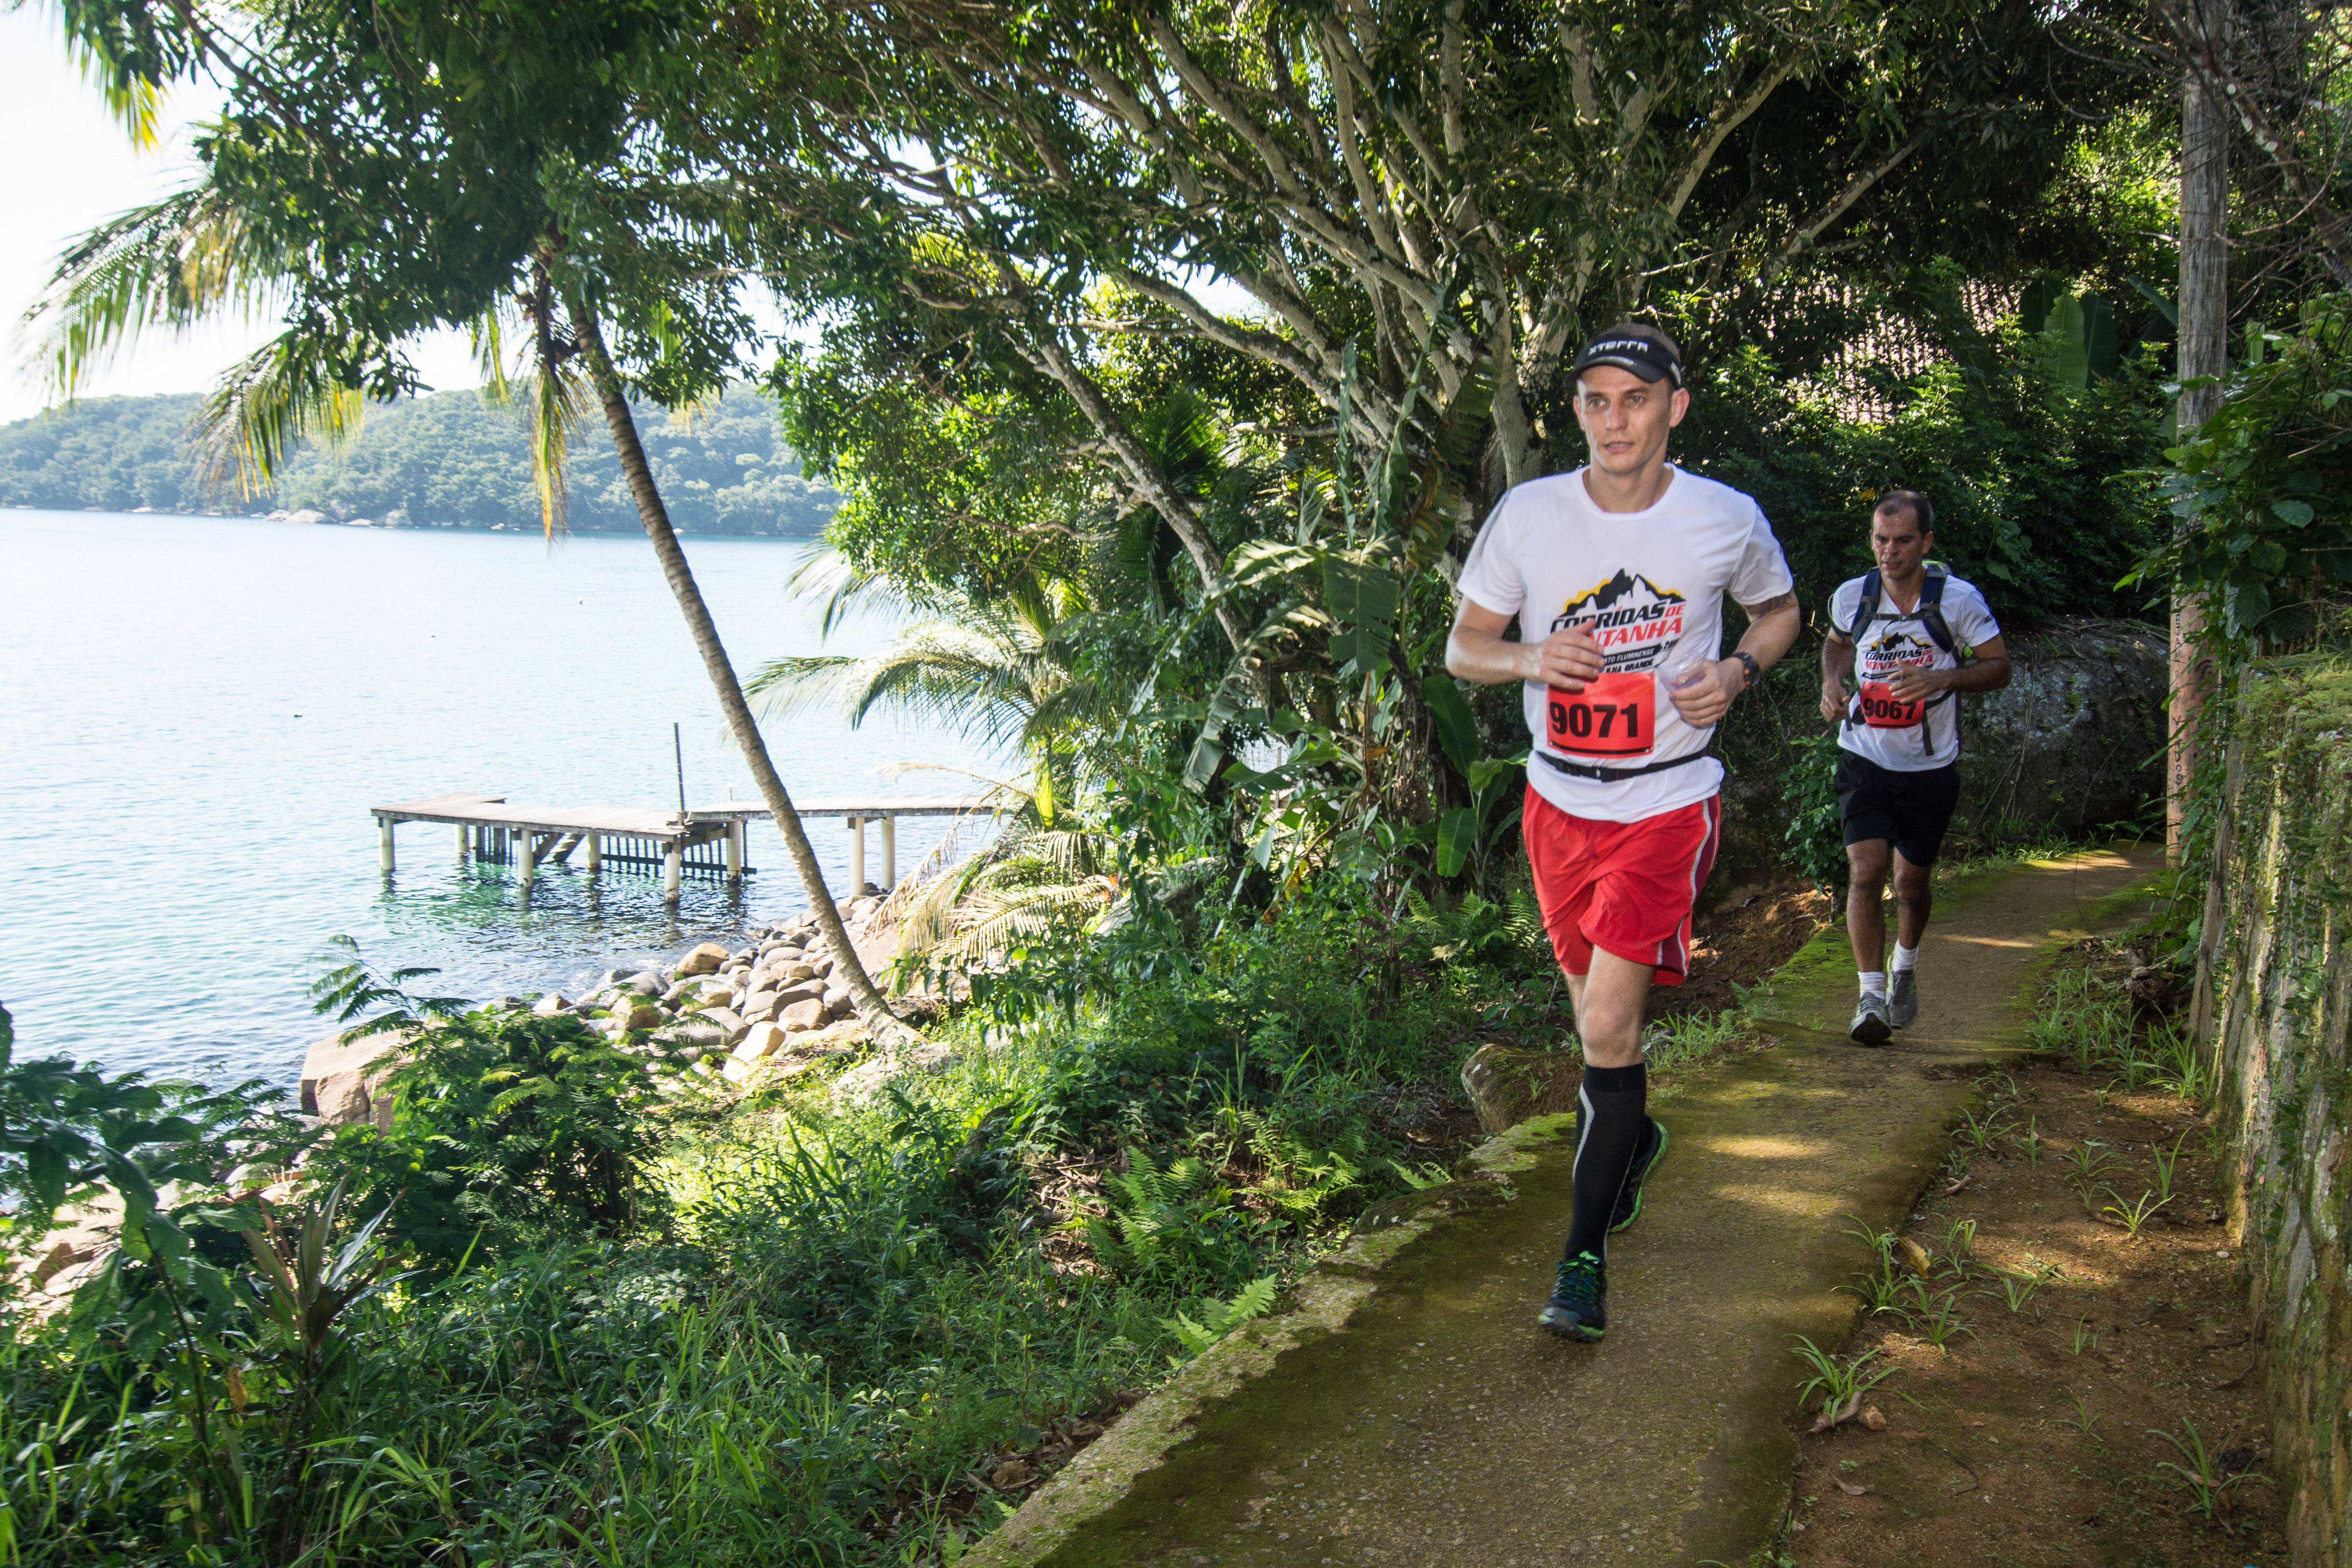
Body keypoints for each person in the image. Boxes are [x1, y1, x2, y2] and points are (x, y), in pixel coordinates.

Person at [1447, 323, 1801, 1343]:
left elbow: (1778, 614)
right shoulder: (1530, 516)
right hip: (1557, 804)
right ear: (1578, 413)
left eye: (1635, 399)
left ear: (1674, 408)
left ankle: (1582, 1260)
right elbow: (1465, 646)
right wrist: (1529, 662)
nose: (1615, 419)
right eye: (1596, 400)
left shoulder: (1722, 518)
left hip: (1666, 798)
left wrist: (1737, 672)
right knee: (1593, 1031)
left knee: (1608, 1030)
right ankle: (1632, 1140)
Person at [1817, 492, 2011, 1045]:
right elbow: (1836, 645)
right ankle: (1869, 996)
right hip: (1864, 756)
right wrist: (1832, 683)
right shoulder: (1854, 595)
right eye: (1881, 539)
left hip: (1929, 767)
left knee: (1911, 883)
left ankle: (1905, 967)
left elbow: (2000, 668)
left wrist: (1942, 679)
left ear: (1926, 543)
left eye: (1903, 541)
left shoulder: (1958, 601)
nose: (1890, 552)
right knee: (1865, 871)